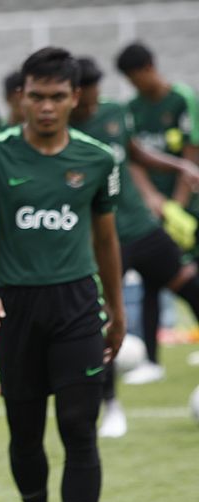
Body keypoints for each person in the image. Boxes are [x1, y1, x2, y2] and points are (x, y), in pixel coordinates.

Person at [0, 47, 124, 502]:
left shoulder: (99, 160)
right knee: (24, 433)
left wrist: (118, 311)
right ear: (21, 97)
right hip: (16, 307)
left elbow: (106, 240)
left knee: (79, 426)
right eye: (37, 96)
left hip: (77, 305)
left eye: (58, 97)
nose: (47, 107)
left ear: (75, 98)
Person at [69, 57, 199, 438]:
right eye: (85, 101)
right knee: (104, 319)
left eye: (94, 98)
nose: (92, 107)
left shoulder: (114, 112)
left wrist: (179, 167)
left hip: (142, 227)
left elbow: (135, 153)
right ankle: (110, 407)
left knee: (188, 285)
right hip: (101, 239)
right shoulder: (60, 132)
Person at [115, 41, 199, 385]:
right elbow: (134, 158)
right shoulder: (131, 109)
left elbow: (191, 152)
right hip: (156, 214)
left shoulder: (181, 97)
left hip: (189, 207)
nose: (135, 86)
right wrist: (153, 200)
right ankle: (151, 359)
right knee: (153, 280)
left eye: (137, 77)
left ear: (150, 67)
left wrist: (177, 206)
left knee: (185, 275)